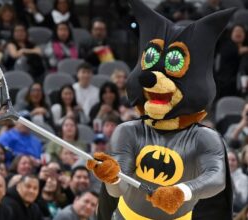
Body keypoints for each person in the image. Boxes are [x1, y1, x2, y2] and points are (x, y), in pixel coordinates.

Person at [87, 1, 235, 219]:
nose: (151, 80)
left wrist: (181, 191)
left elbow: (216, 178)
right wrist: (113, 178)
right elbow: (119, 190)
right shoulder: (128, 131)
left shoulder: (204, 137)